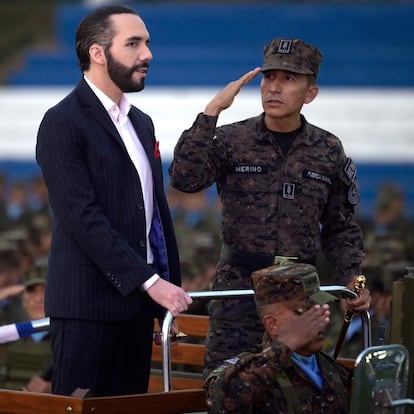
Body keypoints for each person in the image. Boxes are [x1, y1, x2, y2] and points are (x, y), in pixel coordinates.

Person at [169, 37, 370, 376]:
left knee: (296, 391)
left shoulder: (327, 149)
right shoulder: (233, 140)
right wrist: (211, 113)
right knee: (229, 387)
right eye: (269, 77)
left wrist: (352, 278)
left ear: (310, 94)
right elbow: (184, 179)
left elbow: (339, 227)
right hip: (239, 292)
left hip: (300, 294)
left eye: (289, 79)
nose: (274, 88)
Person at [35, 5, 192, 397]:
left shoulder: (142, 122)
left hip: (138, 311)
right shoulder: (62, 122)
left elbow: (155, 218)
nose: (148, 55)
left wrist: (162, 297)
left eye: (148, 44)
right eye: (134, 44)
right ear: (98, 53)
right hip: (85, 311)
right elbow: (82, 218)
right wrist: (151, 282)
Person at [205, 262, 352, 413]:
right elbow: (222, 400)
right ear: (273, 324)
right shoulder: (251, 372)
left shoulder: (333, 370)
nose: (320, 317)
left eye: (319, 306)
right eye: (305, 312)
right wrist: (285, 345)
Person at [0, 258, 52, 393]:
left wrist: (54, 389)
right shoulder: (7, 333)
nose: (38, 298)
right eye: (31, 291)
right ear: (22, 298)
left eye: (45, 290)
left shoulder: (71, 337)